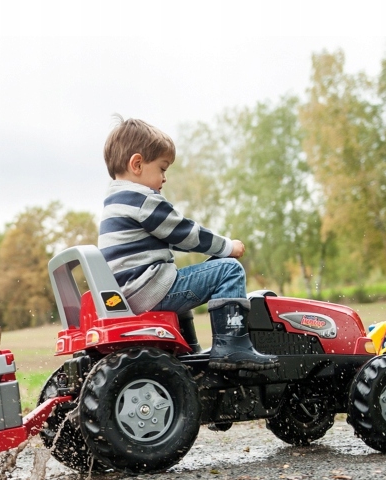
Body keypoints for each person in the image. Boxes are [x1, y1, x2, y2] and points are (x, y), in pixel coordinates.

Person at [98, 116, 278, 371]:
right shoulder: (142, 200)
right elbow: (186, 234)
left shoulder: (115, 202)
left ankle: (188, 351)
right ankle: (232, 347)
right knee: (229, 269)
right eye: (162, 168)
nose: (164, 178)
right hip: (150, 290)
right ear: (137, 164)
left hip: (132, 292)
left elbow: (172, 238)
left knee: (195, 272)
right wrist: (228, 247)